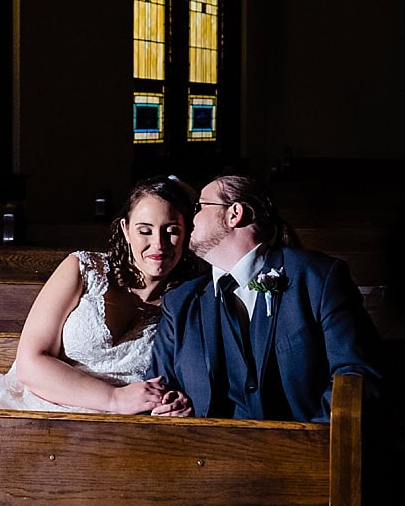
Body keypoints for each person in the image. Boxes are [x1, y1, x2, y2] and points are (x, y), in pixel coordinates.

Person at [0, 175, 201, 413]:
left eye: (171, 230)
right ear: (126, 230)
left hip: (112, 431)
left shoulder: (190, 301)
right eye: (144, 231)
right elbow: (29, 364)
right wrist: (114, 398)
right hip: (28, 406)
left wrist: (173, 404)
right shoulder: (83, 269)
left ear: (187, 232)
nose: (158, 244)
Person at [150, 174, 382, 421]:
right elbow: (159, 387)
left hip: (305, 451)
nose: (189, 217)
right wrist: (173, 405)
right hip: (206, 453)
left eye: (199, 206)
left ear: (234, 214)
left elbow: (355, 374)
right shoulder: (181, 302)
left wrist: (314, 445)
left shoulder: (316, 279)